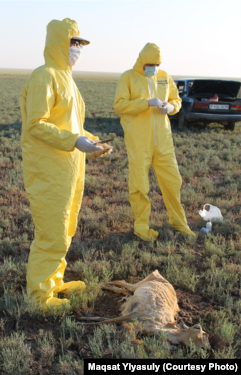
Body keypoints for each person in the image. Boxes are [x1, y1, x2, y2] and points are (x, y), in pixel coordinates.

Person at [20, 18, 112, 312]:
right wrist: (74, 141)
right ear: (59, 43)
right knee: (51, 233)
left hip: (71, 169)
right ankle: (39, 297)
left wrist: (92, 142)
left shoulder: (67, 78)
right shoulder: (44, 76)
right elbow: (36, 124)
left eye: (80, 44)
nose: (78, 49)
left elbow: (71, 125)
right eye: (74, 43)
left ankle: (54, 281)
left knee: (66, 228)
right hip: (49, 170)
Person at [114, 43, 194, 242]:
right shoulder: (128, 77)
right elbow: (120, 105)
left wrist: (171, 107)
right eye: (150, 63)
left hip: (164, 142)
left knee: (173, 182)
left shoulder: (164, 77)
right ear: (142, 61)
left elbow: (177, 100)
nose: (153, 67)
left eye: (157, 63)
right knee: (140, 186)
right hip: (139, 142)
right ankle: (142, 227)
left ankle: (179, 223)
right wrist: (146, 103)